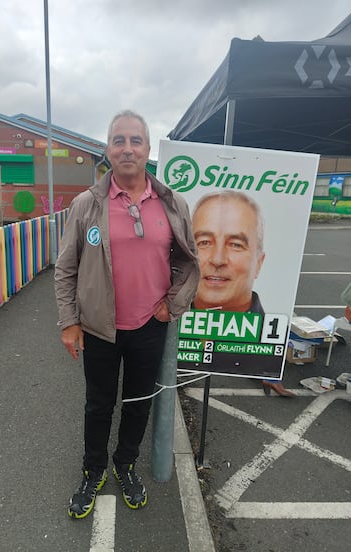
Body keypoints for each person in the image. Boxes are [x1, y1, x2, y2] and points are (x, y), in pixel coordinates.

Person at [54, 110, 200, 519]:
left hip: (149, 326)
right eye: (119, 140)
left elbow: (189, 262)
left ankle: (125, 463)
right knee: (98, 404)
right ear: (108, 149)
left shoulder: (171, 203)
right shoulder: (87, 205)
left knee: (138, 402)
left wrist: (172, 302)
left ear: (148, 149)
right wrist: (69, 321)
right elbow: (66, 267)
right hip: (100, 327)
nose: (127, 148)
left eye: (135, 140)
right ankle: (93, 469)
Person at [192, 189, 295, 397]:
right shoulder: (168, 323)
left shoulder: (266, 337)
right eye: (204, 242)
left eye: (235, 245)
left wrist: (269, 370)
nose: (218, 259)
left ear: (258, 263)